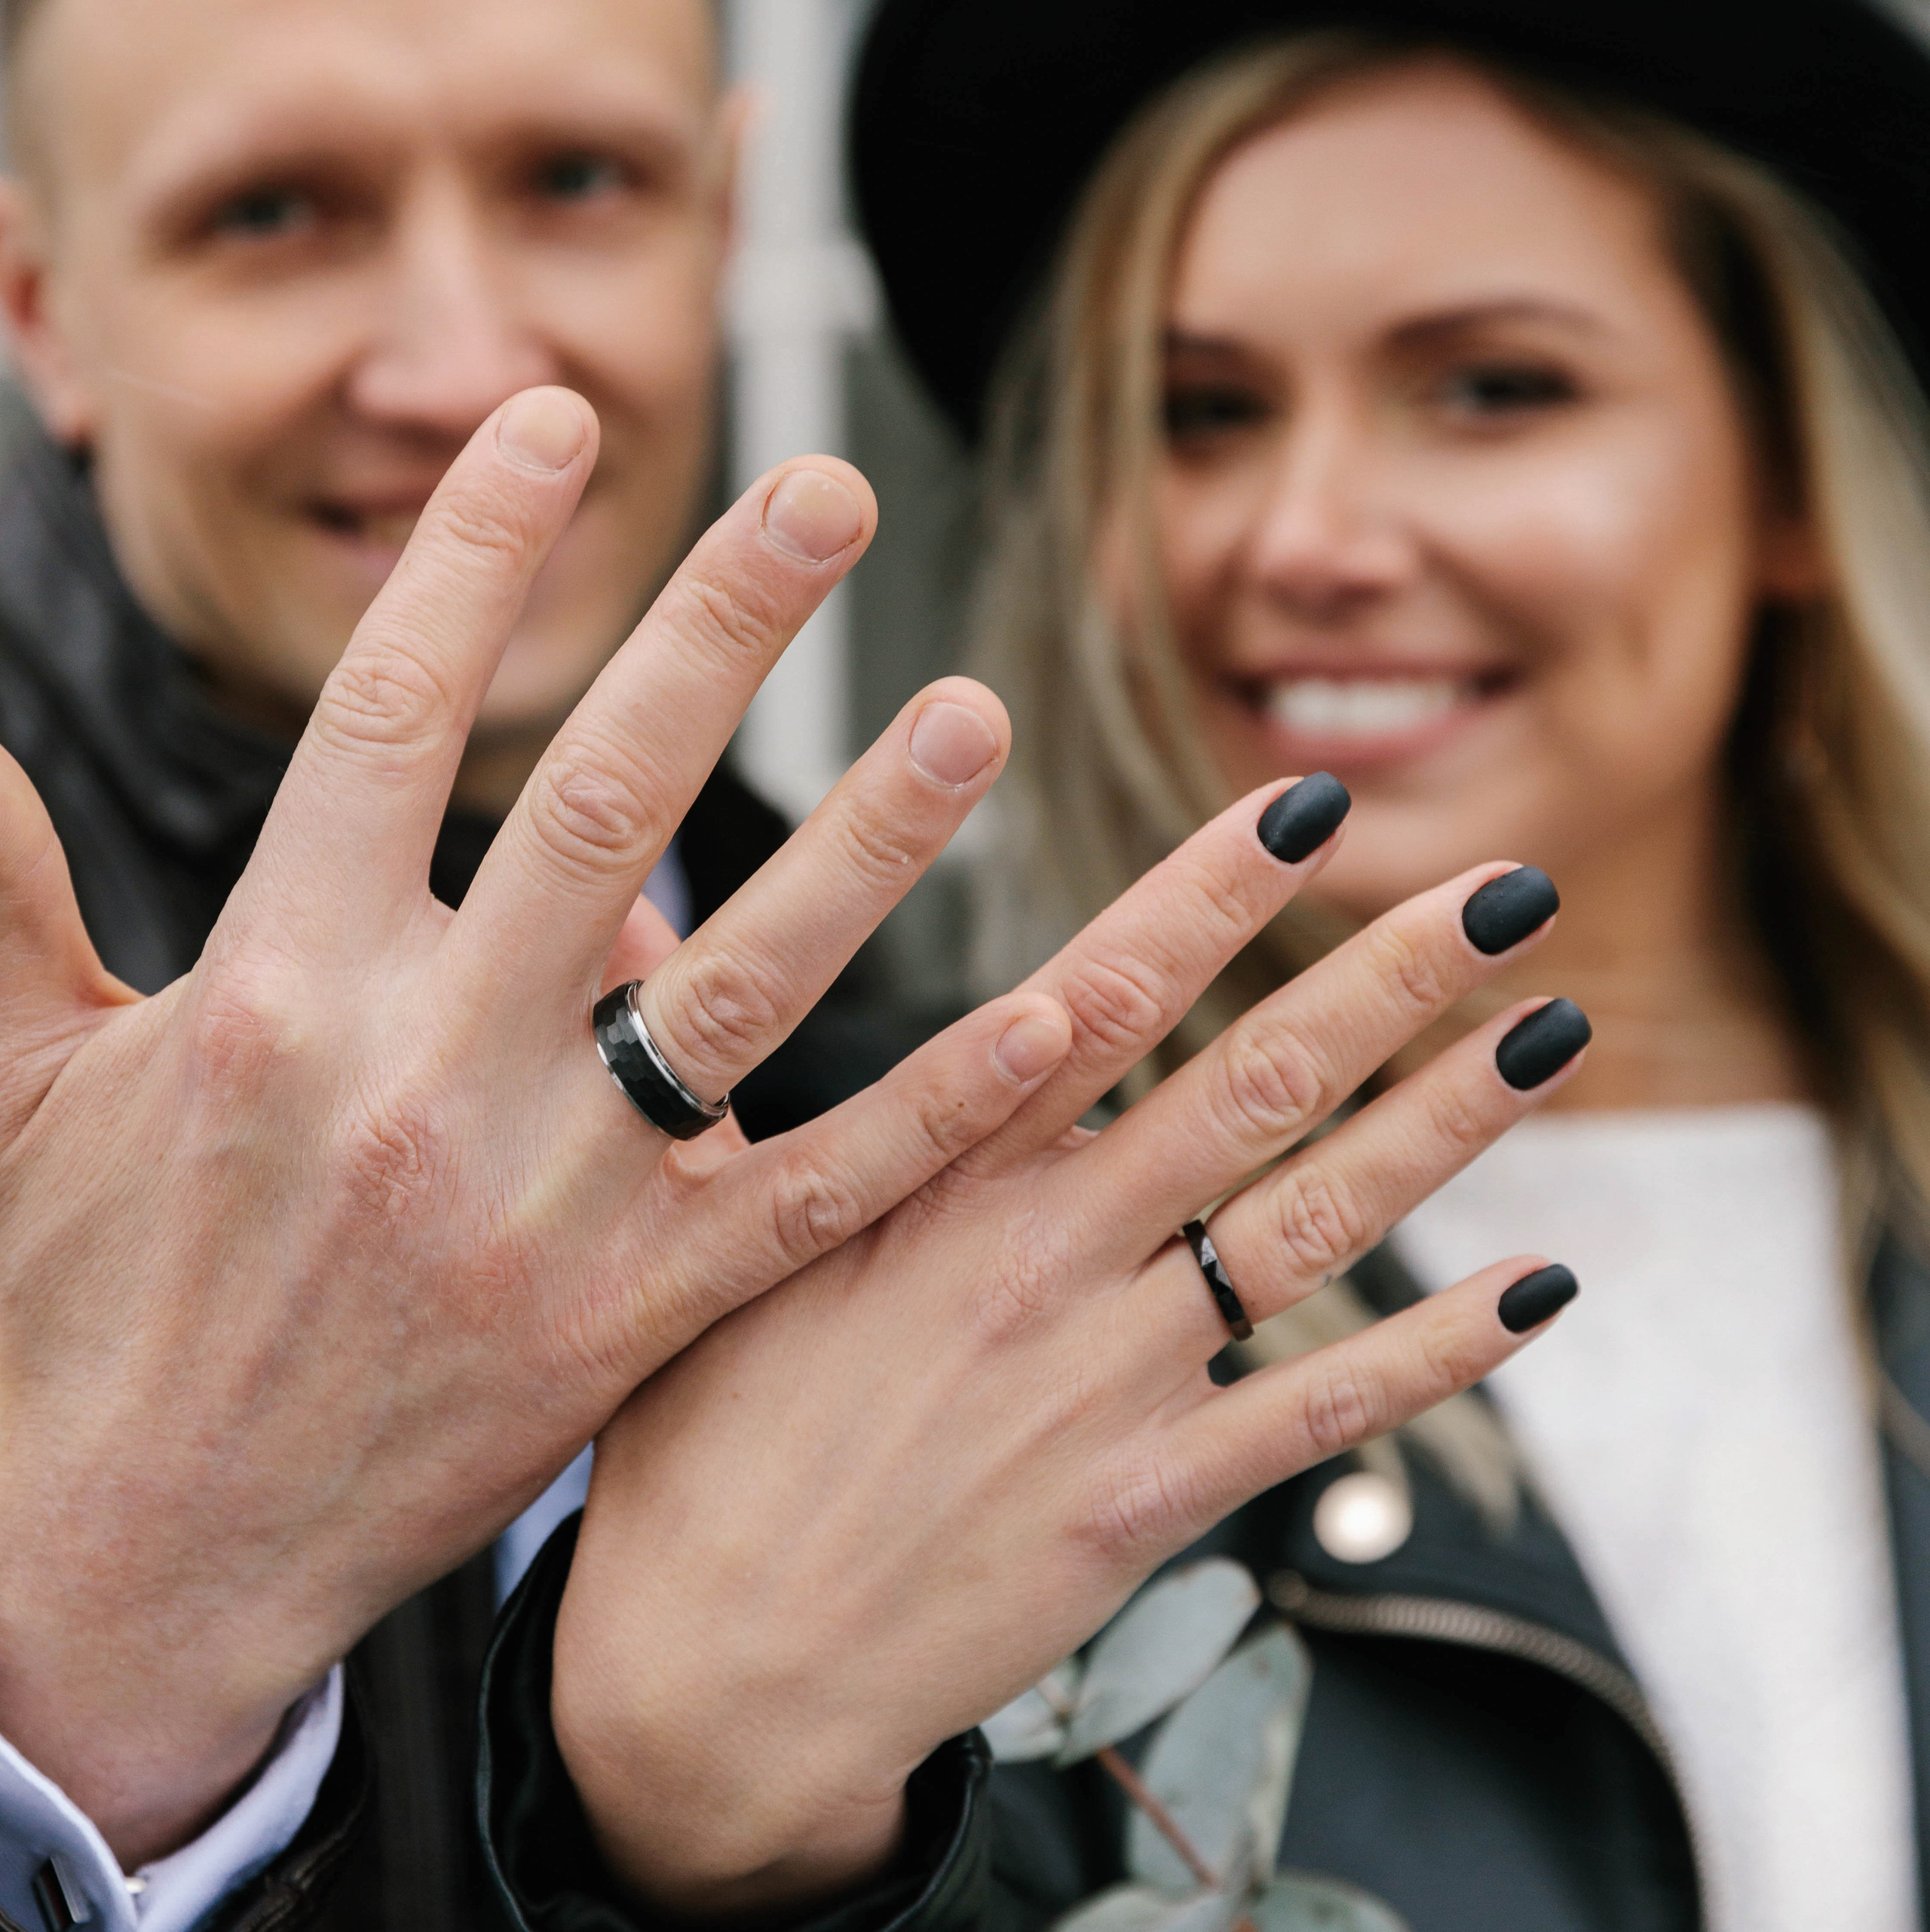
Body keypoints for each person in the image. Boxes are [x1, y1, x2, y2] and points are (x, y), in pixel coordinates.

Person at [0, 0, 1580, 1927]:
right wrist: (81, 1692)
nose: (465, 367)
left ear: (723, 223)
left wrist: (745, 1857)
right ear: (38, 308)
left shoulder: (969, 1068)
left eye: (578, 181)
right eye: (271, 214)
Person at [467, 1, 1930, 1928]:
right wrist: (702, 1844)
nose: (1309, 536)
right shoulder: (854, 1236)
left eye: (1491, 388)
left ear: (1781, 488)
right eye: (1200, 414)